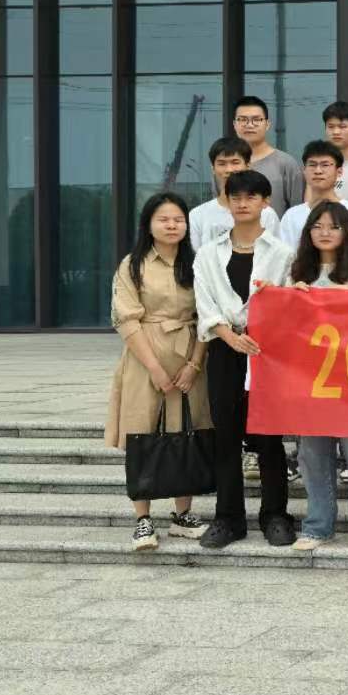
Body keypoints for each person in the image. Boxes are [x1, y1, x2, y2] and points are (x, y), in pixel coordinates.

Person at [193, 170, 294, 549]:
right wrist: (229, 336)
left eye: (251, 196)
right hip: (224, 348)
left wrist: (260, 332)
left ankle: (276, 515)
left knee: (268, 436)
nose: (242, 203)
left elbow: (288, 303)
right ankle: (228, 518)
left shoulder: (282, 253)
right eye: (235, 196)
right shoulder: (209, 252)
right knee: (226, 436)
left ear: (265, 202)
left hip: (267, 352)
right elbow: (204, 302)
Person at [108, 192, 211, 552]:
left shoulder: (198, 264)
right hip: (144, 357)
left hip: (190, 355)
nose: (171, 225)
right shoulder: (133, 265)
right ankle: (143, 519)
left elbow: (208, 317)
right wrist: (154, 368)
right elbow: (125, 318)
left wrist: (194, 365)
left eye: (178, 219)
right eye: (163, 219)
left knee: (188, 432)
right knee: (143, 434)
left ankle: (183, 515)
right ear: (148, 224)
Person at [285, 202, 348, 552]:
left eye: (333, 226)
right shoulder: (296, 272)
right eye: (318, 226)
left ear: (347, 233)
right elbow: (285, 323)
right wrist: (290, 298)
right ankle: (317, 526)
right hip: (308, 378)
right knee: (312, 456)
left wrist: (324, 301)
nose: (325, 232)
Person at [277, 140, 348, 260]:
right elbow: (285, 259)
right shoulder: (291, 215)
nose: (318, 171)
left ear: (339, 172)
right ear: (304, 171)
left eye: (325, 165)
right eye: (312, 165)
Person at [189, 136, 281, 248]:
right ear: (213, 169)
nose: (229, 170)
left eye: (235, 162)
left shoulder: (266, 214)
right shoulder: (197, 215)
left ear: (248, 166)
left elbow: (275, 253)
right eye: (222, 164)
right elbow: (195, 255)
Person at [231, 95, 304, 212]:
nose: (249, 125)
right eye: (243, 119)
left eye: (256, 119)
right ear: (234, 124)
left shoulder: (286, 164)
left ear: (267, 124)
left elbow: (298, 210)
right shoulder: (225, 165)